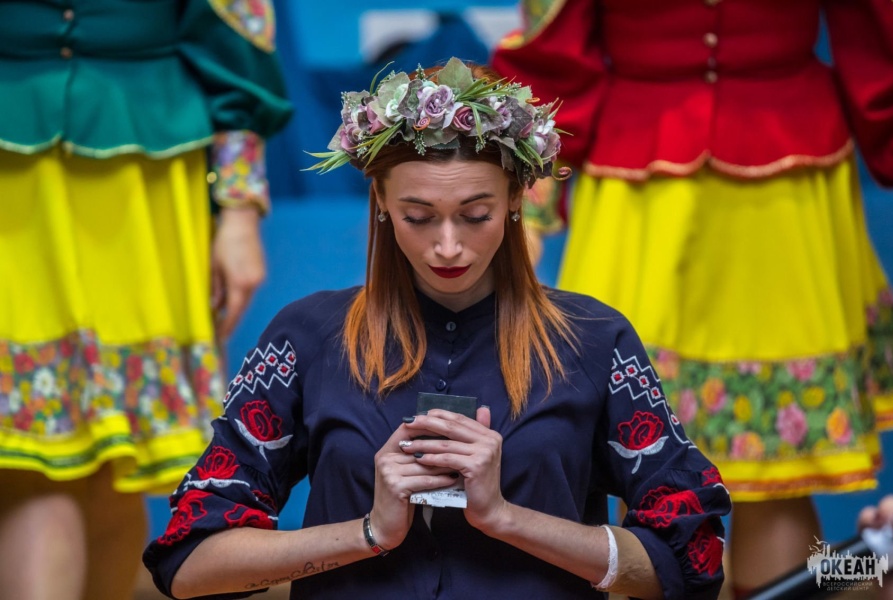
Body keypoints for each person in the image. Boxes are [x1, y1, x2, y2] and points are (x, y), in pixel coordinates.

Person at [142, 58, 731, 599]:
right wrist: (370, 532)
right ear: (380, 200)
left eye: (476, 215)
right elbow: (190, 563)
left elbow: (691, 562)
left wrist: (505, 518)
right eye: (418, 217)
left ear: (517, 198)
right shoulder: (306, 337)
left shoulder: (595, 340)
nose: (448, 246)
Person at [490, 1, 893, 596]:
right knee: (639, 469)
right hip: (639, 183)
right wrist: (520, 202)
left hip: (784, 177)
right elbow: (553, 45)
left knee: (778, 473)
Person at [0, 1, 292, 598]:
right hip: (14, 173)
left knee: (114, 462)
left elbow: (238, 35)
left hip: (142, 170)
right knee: (29, 461)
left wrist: (239, 207)